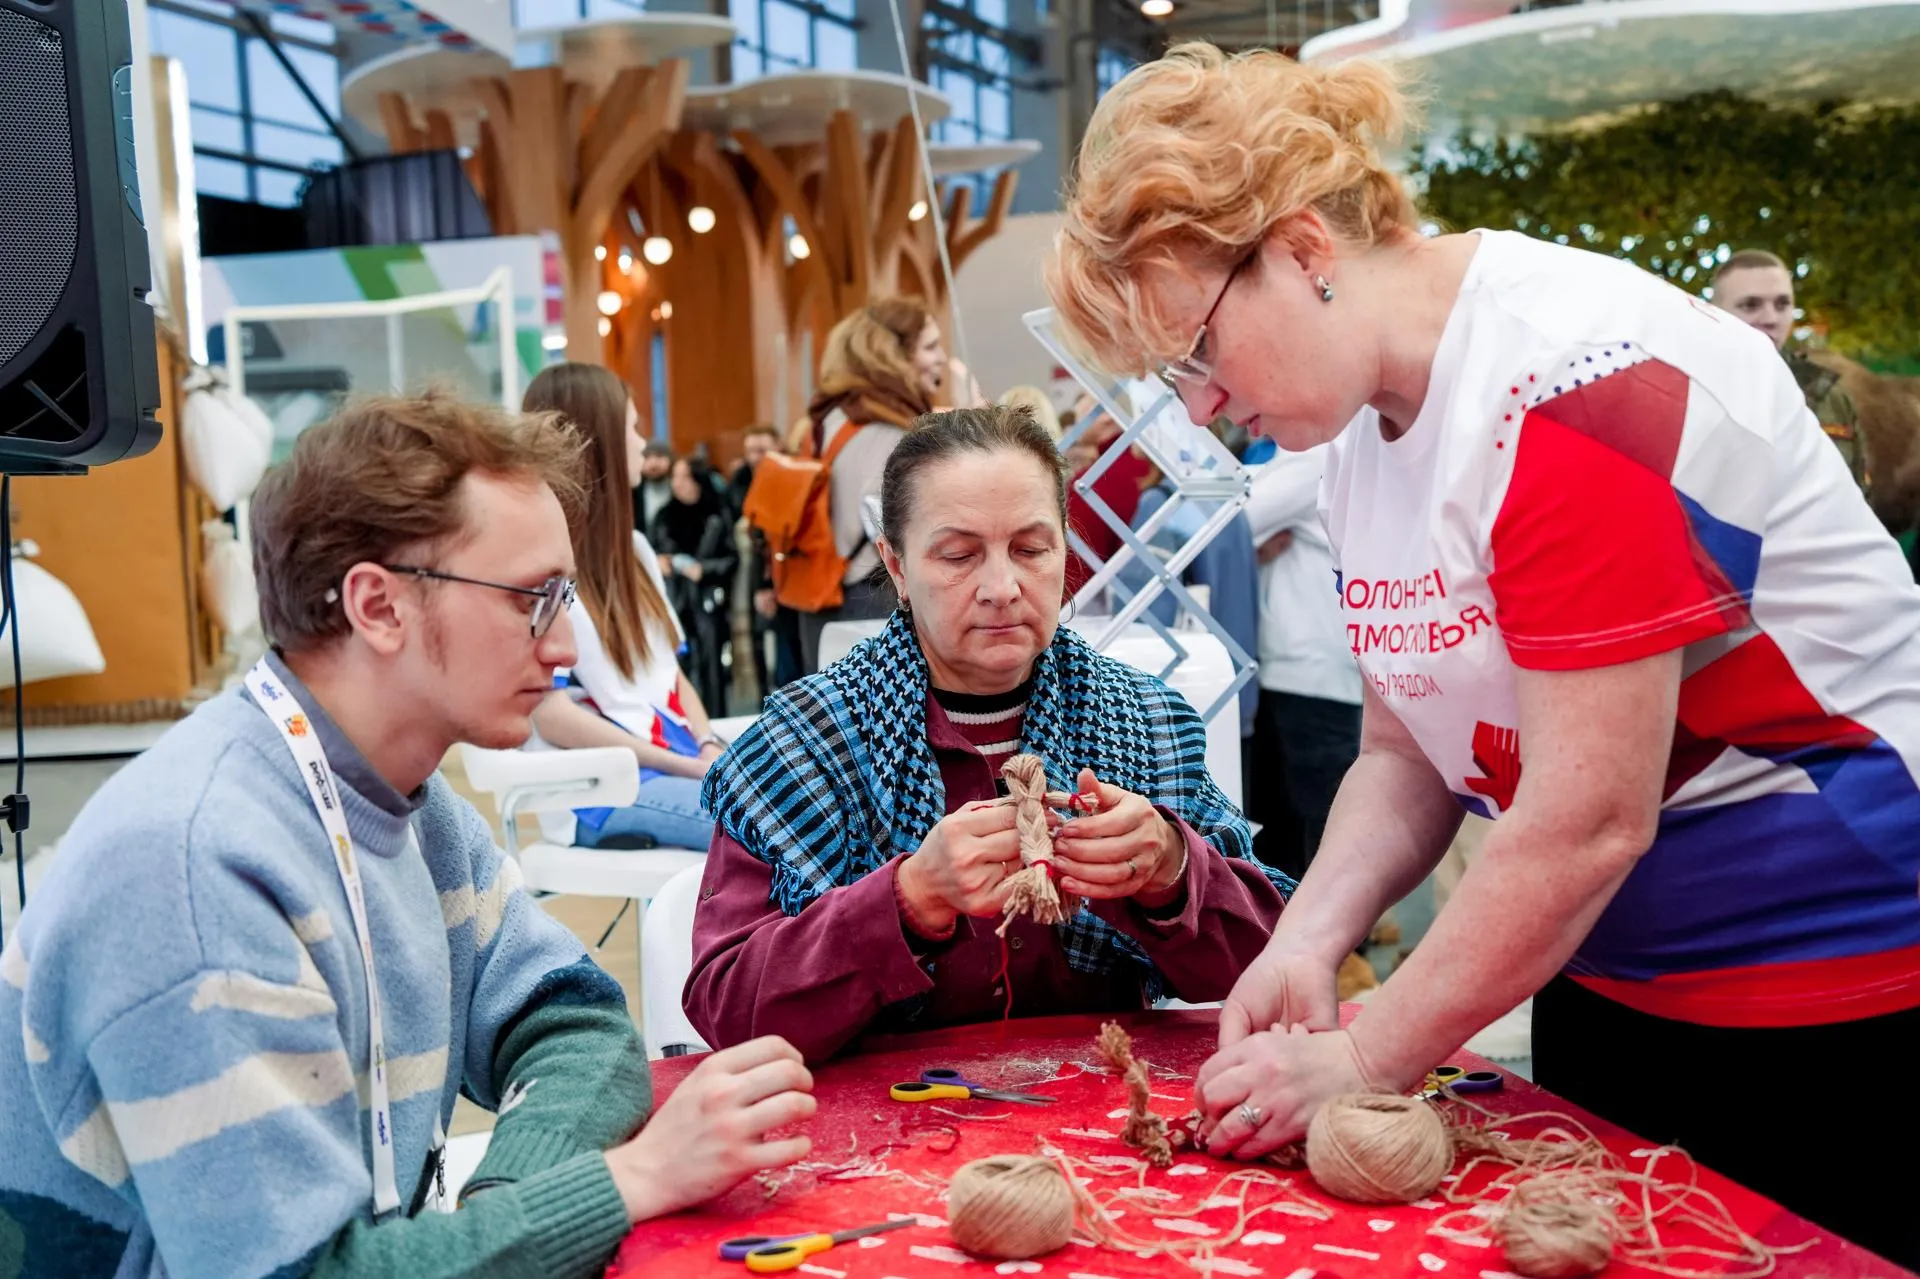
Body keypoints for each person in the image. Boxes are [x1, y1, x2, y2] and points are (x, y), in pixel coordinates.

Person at [1047, 43, 1920, 1267]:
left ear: (1303, 254)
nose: (1196, 406)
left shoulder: (1567, 385)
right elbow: (1408, 750)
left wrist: (1362, 1051)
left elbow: (1584, 816)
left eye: (1195, 354)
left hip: (1822, 967)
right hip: (1605, 963)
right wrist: (1306, 939)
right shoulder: (1357, 423)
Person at [0, 395, 816, 1278]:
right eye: (533, 599)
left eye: (565, 597)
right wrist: (623, 1181)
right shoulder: (192, 872)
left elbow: (575, 1017)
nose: (568, 644)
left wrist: (514, 1208)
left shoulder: (414, 806)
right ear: (378, 606)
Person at [685, 405, 1295, 1063]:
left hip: (1103, 1128)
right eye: (958, 554)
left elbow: (1274, 957)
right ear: (895, 565)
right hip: (886, 1141)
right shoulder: (803, 744)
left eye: (1032, 550)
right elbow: (729, 1010)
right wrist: (906, 900)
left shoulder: (1145, 721)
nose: (1003, 587)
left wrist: (1172, 869)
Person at [522, 363, 727, 852]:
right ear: (596, 442)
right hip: (599, 791)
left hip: (678, 764)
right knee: (777, 828)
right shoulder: (537, 569)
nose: (642, 442)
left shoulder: (633, 551)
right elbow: (548, 713)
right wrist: (686, 763)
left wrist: (707, 745)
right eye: (631, 428)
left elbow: (670, 676)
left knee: (819, 801)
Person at [794, 298, 945, 673]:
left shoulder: (828, 420)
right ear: (893, 354)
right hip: (872, 597)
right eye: (930, 347)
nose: (942, 358)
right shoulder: (888, 429)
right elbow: (897, 525)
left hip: (822, 593)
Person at [1240, 444, 1363, 880]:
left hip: (1315, 675)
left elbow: (1231, 519)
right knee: (1288, 825)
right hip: (1292, 670)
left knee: (1325, 825)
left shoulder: (1315, 456)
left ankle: (1341, 945)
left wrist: (1245, 548)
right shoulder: (1295, 456)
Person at [1709, 250, 1866, 492]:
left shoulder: (1829, 396)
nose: (1771, 318)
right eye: (1751, 305)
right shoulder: (1686, 393)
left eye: (1783, 304)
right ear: (1714, 312)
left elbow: (1858, 503)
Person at [651, 456, 739, 716]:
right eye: (675, 477)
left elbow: (733, 559)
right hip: (675, 600)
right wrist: (661, 562)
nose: (678, 484)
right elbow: (652, 552)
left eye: (685, 477)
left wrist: (705, 570)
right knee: (678, 666)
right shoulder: (665, 516)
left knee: (713, 668)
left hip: (708, 601)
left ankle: (715, 721)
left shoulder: (717, 516)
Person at [634, 440, 674, 532]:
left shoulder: (679, 490)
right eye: (647, 457)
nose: (653, 463)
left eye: (659, 456)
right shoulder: (634, 492)